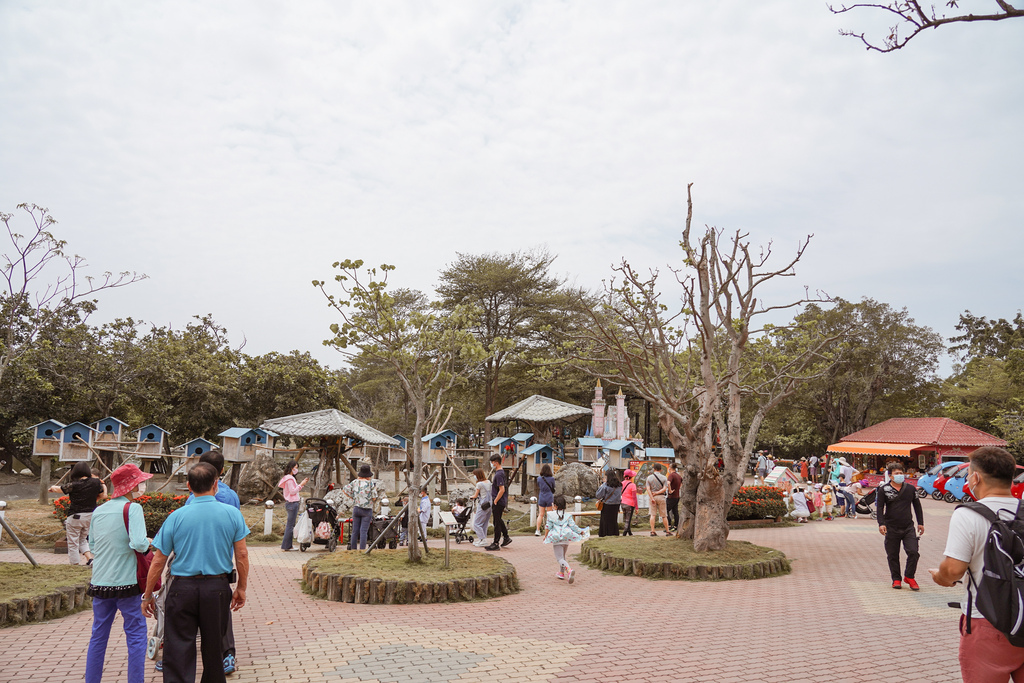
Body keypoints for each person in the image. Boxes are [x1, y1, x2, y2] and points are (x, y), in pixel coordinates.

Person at [143, 462, 250, 683]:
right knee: (214, 647)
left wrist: (148, 594)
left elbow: (158, 560)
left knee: (178, 647)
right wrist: (241, 587)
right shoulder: (232, 514)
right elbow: (242, 555)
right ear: (216, 484)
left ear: (189, 486)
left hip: (182, 589)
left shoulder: (176, 516)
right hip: (218, 588)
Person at [929, 446, 1024, 681]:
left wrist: (939, 577)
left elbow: (952, 570)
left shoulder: (968, 514)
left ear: (976, 477)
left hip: (987, 619)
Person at [84, 463, 152, 683]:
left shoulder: (98, 511)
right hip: (128, 583)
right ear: (131, 486)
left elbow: (92, 544)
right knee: (136, 636)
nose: (142, 486)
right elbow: (139, 544)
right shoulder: (133, 508)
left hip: (100, 582)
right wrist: (149, 542)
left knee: (98, 636)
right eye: (139, 483)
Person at [182, 451, 241, 674]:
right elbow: (238, 536)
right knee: (220, 616)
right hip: (220, 563)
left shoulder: (191, 498)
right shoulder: (232, 496)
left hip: (191, 566)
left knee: (188, 617)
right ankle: (227, 656)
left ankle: (175, 656)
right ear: (222, 470)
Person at [876, 462, 924, 590]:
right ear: (890, 476)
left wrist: (921, 523)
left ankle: (909, 576)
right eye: (896, 473)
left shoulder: (910, 489)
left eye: (901, 473)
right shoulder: (883, 490)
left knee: (913, 552)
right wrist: (881, 524)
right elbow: (880, 508)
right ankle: (896, 579)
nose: (899, 475)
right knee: (893, 555)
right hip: (891, 527)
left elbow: (917, 506)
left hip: (908, 527)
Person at [50, 461, 105, 566]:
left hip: (75, 516)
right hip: (90, 515)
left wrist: (52, 488)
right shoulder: (95, 482)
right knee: (83, 539)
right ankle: (90, 559)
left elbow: (59, 489)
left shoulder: (74, 485)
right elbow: (102, 492)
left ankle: (74, 564)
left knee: (73, 542)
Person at [543, 494, 589, 583]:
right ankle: (561, 572)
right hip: (566, 539)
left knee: (559, 558)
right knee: (562, 557)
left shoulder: (551, 515)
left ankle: (569, 570)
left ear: (555, 505)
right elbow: (573, 526)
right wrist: (580, 531)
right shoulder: (568, 515)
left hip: (557, 539)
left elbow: (548, 526)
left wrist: (545, 536)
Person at [342, 464, 379, 550]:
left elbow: (345, 489)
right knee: (363, 531)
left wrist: (353, 497)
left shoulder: (355, 482)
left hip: (356, 509)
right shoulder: (370, 484)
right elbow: (374, 498)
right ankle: (362, 550)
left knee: (355, 531)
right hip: (367, 510)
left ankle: (353, 549)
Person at [278, 460, 308, 552]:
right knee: (290, 526)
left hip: (289, 503)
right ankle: (287, 545)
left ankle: (287, 545)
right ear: (292, 468)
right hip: (292, 503)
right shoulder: (290, 479)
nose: (297, 469)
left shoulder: (287, 478)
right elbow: (292, 491)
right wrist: (301, 485)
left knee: (290, 525)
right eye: (296, 467)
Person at [485, 453, 512, 550]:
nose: (491, 464)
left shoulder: (499, 474)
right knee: (498, 519)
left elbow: (502, 489)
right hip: (499, 500)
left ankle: (496, 543)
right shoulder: (500, 473)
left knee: (496, 522)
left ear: (496, 463)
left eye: (492, 462)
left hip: (498, 501)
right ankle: (506, 537)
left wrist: (495, 500)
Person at [594, 469, 622, 537]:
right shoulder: (620, 485)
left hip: (607, 505)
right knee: (613, 520)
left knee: (605, 520)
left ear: (607, 477)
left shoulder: (605, 485)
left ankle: (604, 533)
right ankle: (614, 533)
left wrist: (602, 485)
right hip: (616, 505)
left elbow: (598, 495)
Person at [647, 463, 671, 536]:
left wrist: (652, 497)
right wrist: (657, 493)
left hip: (652, 497)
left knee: (653, 515)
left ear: (654, 469)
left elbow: (648, 489)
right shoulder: (664, 477)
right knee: (664, 515)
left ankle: (653, 531)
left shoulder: (649, 478)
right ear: (661, 469)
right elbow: (664, 488)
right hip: (661, 497)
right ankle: (667, 531)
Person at [469, 468, 491, 547]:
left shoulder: (479, 484)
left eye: (474, 475)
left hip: (482, 505)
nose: (474, 476)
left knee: (477, 523)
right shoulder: (488, 482)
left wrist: (471, 497)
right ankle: (482, 539)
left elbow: (475, 495)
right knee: (484, 523)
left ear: (477, 475)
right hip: (489, 505)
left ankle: (482, 539)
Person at [534, 464, 556, 536]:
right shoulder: (552, 479)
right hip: (549, 496)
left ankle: (537, 530)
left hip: (542, 496)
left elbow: (539, 485)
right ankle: (548, 531)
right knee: (549, 515)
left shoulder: (539, 478)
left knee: (541, 514)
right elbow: (553, 486)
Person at [621, 470, 638, 536]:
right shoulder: (633, 485)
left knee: (626, 518)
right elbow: (634, 497)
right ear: (631, 477)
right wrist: (636, 507)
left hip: (623, 503)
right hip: (630, 504)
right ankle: (624, 532)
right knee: (628, 519)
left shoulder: (621, 483)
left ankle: (629, 532)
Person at [666, 462, 682, 531]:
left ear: (669, 468)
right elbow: (681, 484)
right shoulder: (679, 476)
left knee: (665, 510)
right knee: (675, 511)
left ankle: (669, 525)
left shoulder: (671, 475)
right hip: (677, 496)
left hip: (671, 496)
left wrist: (670, 491)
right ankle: (676, 525)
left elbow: (668, 483)